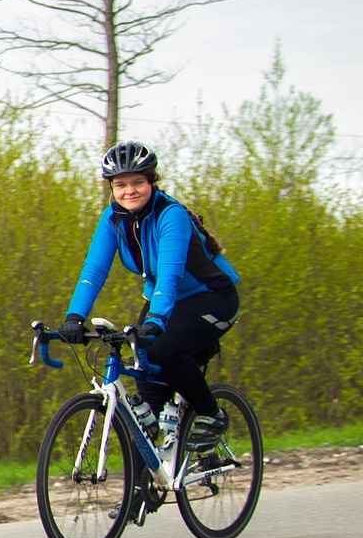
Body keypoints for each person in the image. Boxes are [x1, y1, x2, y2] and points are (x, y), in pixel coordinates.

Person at [50, 140, 239, 456]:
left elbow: (169, 274)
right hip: (164, 301)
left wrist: (156, 321)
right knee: (146, 392)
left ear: (152, 181)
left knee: (162, 350)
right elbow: (94, 270)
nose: (129, 191)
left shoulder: (171, 215)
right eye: (120, 185)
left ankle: (211, 414)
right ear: (112, 188)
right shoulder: (113, 218)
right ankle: (144, 483)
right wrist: (74, 317)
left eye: (137, 182)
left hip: (211, 298)